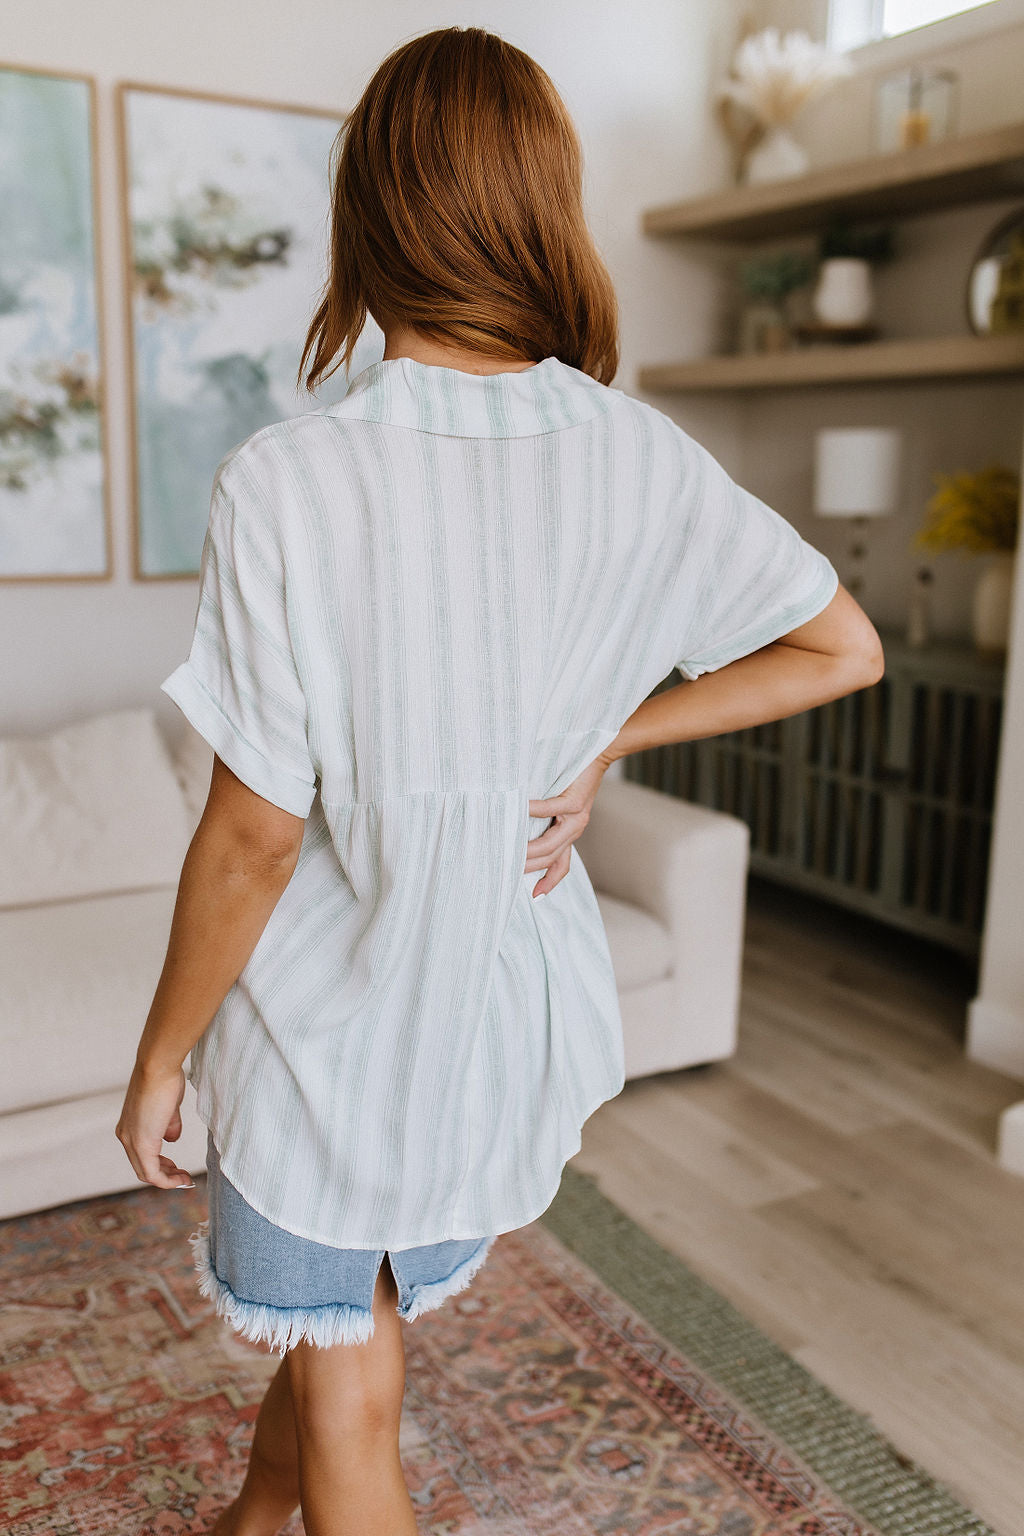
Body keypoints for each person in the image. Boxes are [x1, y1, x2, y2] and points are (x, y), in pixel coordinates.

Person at [115, 24, 884, 1536]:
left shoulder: (292, 480)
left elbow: (258, 837)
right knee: (348, 1339)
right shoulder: (638, 458)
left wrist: (160, 1056)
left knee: (355, 1389)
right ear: (545, 203)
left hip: (331, 1044)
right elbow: (842, 645)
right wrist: (604, 734)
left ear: (373, 209)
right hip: (490, 1030)